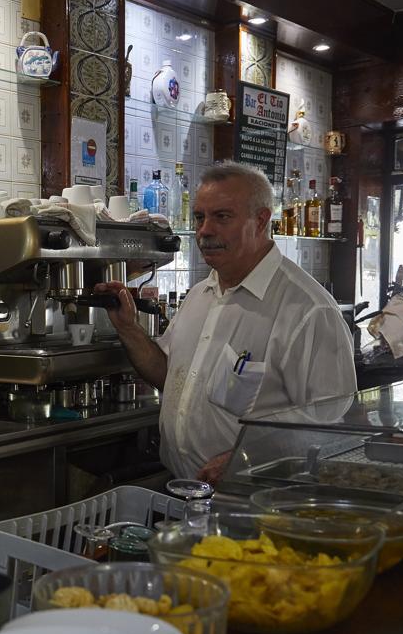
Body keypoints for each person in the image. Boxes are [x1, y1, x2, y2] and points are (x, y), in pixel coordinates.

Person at [95, 162, 355, 482]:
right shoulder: (200, 294)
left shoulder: (308, 310)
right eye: (200, 217)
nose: (205, 231)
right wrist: (129, 328)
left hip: (258, 501)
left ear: (260, 221)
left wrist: (247, 456)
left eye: (222, 217)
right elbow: (169, 375)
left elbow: (333, 423)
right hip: (186, 489)